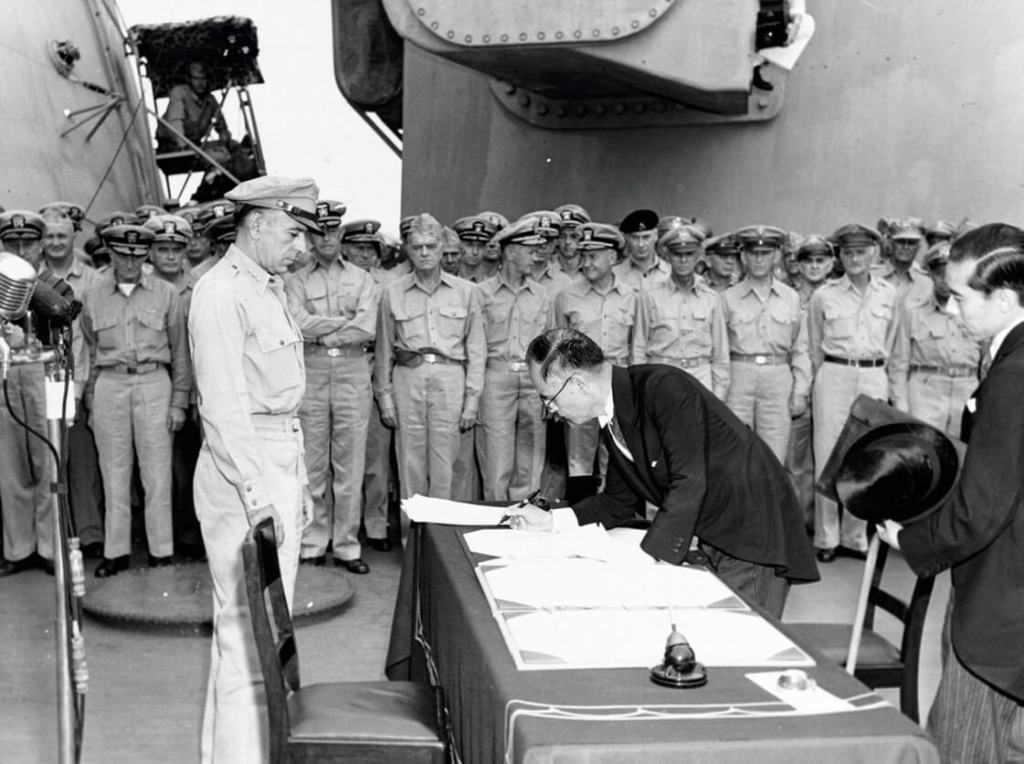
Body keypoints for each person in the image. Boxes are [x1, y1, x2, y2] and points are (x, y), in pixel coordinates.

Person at [509, 329, 818, 618]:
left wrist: (647, 557)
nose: (550, 409)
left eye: (548, 398)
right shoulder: (616, 412)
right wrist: (552, 521)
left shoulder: (663, 388)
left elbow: (690, 481)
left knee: (741, 637)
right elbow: (617, 502)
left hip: (753, 531)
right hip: (716, 529)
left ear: (577, 384)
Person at [877, 223, 1024, 763]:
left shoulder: (1013, 374)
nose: (951, 309)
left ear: (1004, 299)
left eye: (961, 297)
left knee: (963, 744)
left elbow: (982, 508)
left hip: (999, 604)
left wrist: (910, 539)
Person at [189, 176, 319, 763]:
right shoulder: (220, 293)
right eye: (293, 233)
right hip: (243, 470)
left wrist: (298, 483)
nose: (302, 247)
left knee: (262, 632)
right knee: (247, 636)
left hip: (275, 460)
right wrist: (257, 493)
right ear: (258, 224)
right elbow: (224, 407)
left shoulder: (268, 288)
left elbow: (283, 402)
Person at [80, 224, 192, 577]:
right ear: (110, 254)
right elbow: (90, 350)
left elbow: (180, 351)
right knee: (113, 473)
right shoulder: (92, 295)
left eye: (137, 256)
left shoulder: (165, 293)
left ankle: (161, 551)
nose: (129, 263)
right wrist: (91, 399)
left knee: (157, 473)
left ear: (146, 256)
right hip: (110, 383)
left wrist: (179, 401)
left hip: (154, 381)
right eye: (122, 255)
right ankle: (116, 552)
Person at [375, 213, 485, 534]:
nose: (424, 252)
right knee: (410, 463)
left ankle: (441, 544)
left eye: (431, 246)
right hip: (408, 378)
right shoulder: (392, 292)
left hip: (451, 378)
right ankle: (413, 544)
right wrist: (385, 398)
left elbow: (477, 349)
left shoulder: (466, 292)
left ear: (443, 249)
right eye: (417, 246)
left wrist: (472, 401)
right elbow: (384, 350)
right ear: (408, 250)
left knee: (446, 464)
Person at [284, 211, 380, 574]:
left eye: (331, 231)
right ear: (310, 236)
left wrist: (322, 332)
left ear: (340, 234)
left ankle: (347, 546)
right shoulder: (294, 280)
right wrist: (341, 323)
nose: (326, 238)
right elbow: (296, 322)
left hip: (352, 369)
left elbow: (366, 327)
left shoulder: (362, 278)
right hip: (311, 368)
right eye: (319, 232)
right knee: (311, 462)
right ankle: (313, 542)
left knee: (350, 464)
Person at [806, 223, 898, 562]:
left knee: (864, 455)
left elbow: (895, 344)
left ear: (873, 253)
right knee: (828, 455)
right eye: (848, 253)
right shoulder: (824, 295)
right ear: (839, 256)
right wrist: (826, 376)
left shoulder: (889, 294)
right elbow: (813, 345)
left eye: (861, 252)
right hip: (834, 373)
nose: (855, 258)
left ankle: (854, 536)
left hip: (873, 374)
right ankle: (827, 538)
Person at [40, 208, 106, 559]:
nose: (55, 242)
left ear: (73, 238)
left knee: (83, 465)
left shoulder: (92, 279)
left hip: (77, 381)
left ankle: (90, 535)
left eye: (61, 236)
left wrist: (85, 388)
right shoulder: (33, 277)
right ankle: (58, 539)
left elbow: (94, 339)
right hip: (43, 383)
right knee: (51, 463)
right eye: (49, 236)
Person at [476, 215, 555, 501]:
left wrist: (549, 391)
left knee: (530, 462)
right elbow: (475, 347)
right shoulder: (481, 293)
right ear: (510, 252)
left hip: (533, 381)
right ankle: (497, 519)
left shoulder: (542, 295)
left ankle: (525, 519)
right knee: (496, 462)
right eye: (530, 251)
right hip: (496, 378)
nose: (536, 257)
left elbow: (549, 348)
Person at [553, 222, 639, 478]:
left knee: (618, 457)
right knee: (578, 459)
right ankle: (582, 503)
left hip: (618, 384)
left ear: (612, 257)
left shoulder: (632, 297)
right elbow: (556, 350)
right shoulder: (566, 297)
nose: (587, 263)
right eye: (584, 256)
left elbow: (637, 346)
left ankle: (613, 504)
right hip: (580, 384)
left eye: (593, 256)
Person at [143, 213, 206, 561]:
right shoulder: (144, 286)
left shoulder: (202, 285)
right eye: (162, 249)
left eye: (177, 249)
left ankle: (194, 535)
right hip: (160, 385)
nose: (170, 256)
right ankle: (170, 538)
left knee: (196, 467)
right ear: (150, 252)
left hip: (200, 387)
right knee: (164, 470)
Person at [721, 225, 810, 464]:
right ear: (743, 256)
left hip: (777, 379)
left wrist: (800, 391)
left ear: (777, 256)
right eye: (753, 253)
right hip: (738, 378)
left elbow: (801, 349)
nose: (759, 259)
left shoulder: (791, 298)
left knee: (774, 455)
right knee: (734, 452)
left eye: (765, 253)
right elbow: (719, 350)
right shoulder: (727, 298)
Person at [0, 211, 54, 576]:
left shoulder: (52, 286)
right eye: (12, 243)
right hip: (5, 375)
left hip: (41, 375)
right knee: (10, 467)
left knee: (46, 461)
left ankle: (49, 547)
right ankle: (19, 549)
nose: (20, 250)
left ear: (41, 247)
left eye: (28, 243)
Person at [887, 241, 984, 439]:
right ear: (930, 274)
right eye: (940, 274)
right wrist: (901, 405)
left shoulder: (977, 315)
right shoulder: (913, 313)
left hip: (965, 393)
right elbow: (898, 364)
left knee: (963, 452)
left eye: (952, 274)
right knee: (923, 449)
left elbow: (987, 363)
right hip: (925, 396)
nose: (945, 281)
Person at [632, 225, 730, 398]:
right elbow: (639, 348)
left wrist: (718, 395)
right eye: (677, 254)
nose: (683, 260)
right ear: (667, 256)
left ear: (698, 256)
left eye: (689, 254)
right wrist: (640, 389)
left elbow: (720, 354)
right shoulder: (649, 296)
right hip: (661, 376)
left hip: (700, 377)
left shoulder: (711, 298)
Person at [785, 234, 835, 528]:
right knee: (796, 462)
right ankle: (799, 523)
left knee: (829, 461)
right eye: (808, 261)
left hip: (831, 389)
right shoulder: (789, 298)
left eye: (820, 260)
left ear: (830, 264)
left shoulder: (838, 297)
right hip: (798, 390)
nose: (814, 266)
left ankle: (823, 528)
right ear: (799, 265)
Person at [157, 61, 231, 151]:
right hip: (171, 146)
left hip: (194, 144)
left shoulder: (210, 100)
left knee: (233, 146)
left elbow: (221, 125)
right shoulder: (179, 93)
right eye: (196, 79)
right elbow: (175, 123)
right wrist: (183, 146)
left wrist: (224, 139)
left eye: (203, 79)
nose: (200, 83)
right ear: (189, 80)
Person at [613, 208, 671, 289]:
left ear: (656, 236)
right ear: (626, 238)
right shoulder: (614, 273)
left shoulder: (671, 271)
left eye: (646, 237)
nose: (641, 244)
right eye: (635, 238)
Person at [452, 214, 498, 283]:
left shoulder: (492, 285)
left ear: (486, 248)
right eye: (469, 245)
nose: (475, 251)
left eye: (480, 246)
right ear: (459, 246)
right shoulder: (445, 282)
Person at [551, 203, 590, 277]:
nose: (567, 242)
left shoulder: (593, 271)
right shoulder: (545, 270)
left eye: (574, 236)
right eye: (562, 236)